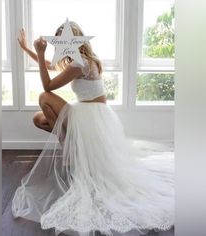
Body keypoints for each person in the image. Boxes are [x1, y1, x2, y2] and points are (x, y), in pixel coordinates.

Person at [12, 21, 174, 236]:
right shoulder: (82, 61)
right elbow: (51, 67)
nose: (61, 46)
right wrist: (28, 50)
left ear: (76, 40)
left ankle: (67, 148)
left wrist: (41, 54)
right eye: (59, 42)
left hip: (89, 115)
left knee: (44, 97)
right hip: (92, 114)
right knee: (38, 118)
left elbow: (48, 86)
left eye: (64, 41)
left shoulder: (81, 64)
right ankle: (69, 145)